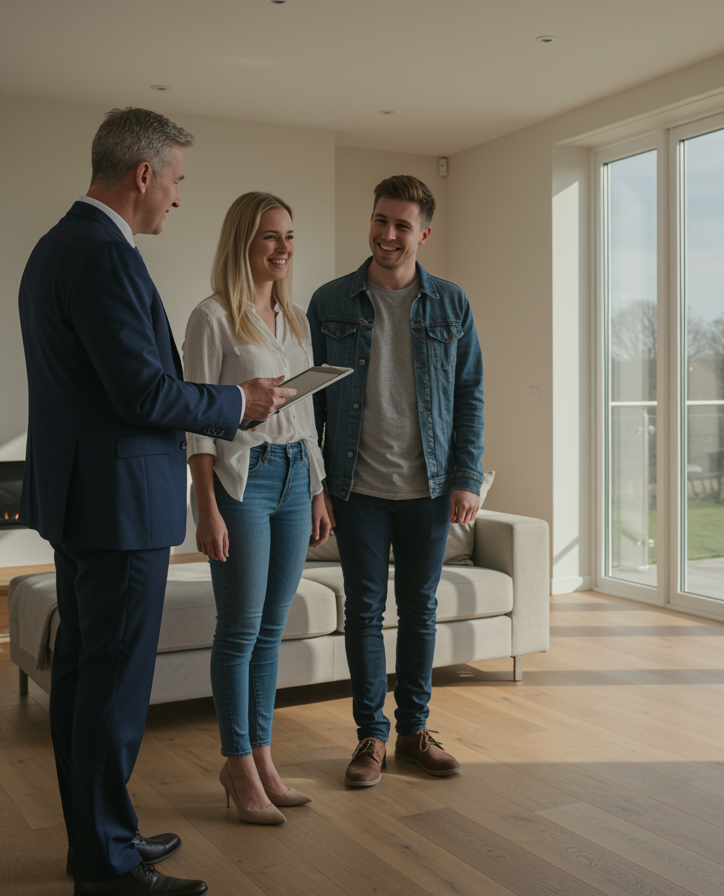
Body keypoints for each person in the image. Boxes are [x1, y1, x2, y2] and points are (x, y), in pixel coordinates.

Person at [18, 108, 294, 896]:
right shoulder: (104, 254)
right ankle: (107, 865)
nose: (177, 196)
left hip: (82, 500)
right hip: (118, 505)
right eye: (174, 179)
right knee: (111, 689)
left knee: (83, 680)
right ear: (144, 174)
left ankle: (100, 838)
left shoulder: (57, 246)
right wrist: (236, 401)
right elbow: (141, 391)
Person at [307, 175, 485, 788]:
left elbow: (469, 395)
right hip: (355, 487)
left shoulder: (452, 304)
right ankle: (370, 737)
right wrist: (317, 485)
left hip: (429, 489)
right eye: (380, 220)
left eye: (401, 225)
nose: (387, 234)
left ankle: (414, 731)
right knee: (363, 611)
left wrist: (466, 477)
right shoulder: (330, 301)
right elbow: (310, 406)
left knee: (420, 610)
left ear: (423, 234)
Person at [182, 192, 332, 823]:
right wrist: (206, 507)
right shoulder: (212, 317)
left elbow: (305, 413)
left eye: (289, 237)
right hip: (243, 481)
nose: (283, 248)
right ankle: (238, 764)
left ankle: (265, 760)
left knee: (272, 630)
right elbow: (196, 422)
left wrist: (318, 488)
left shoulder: (294, 320)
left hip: (296, 477)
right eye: (271, 236)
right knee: (240, 630)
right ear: (243, 240)